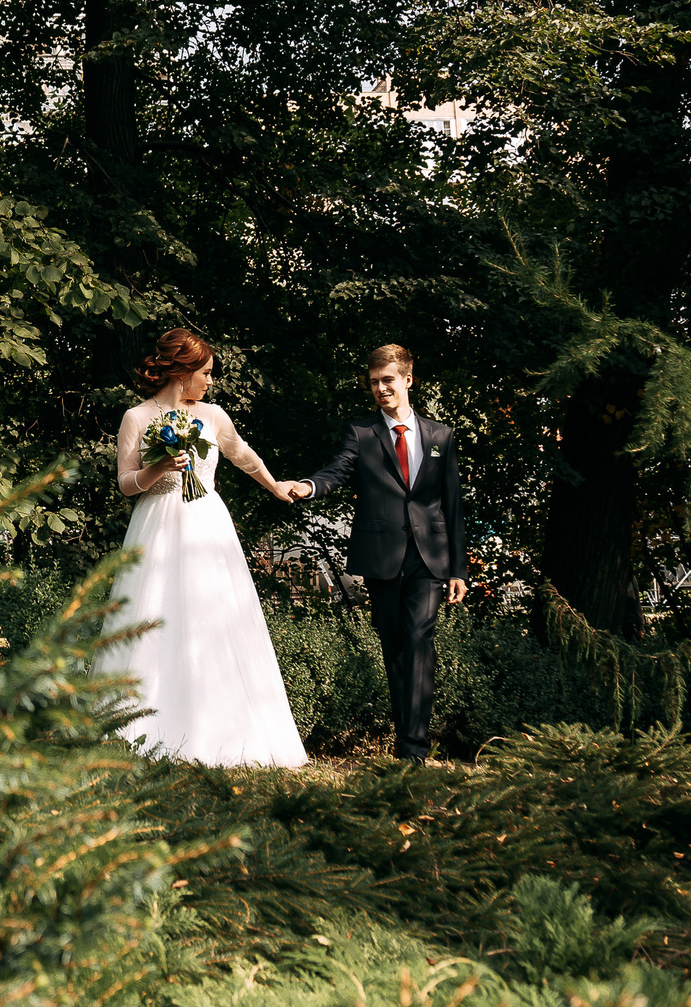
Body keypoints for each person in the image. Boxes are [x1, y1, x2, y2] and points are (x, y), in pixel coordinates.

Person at [99, 327, 310, 767]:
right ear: (182, 372)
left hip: (208, 527)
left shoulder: (213, 416)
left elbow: (243, 455)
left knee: (211, 617)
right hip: (156, 525)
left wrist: (275, 487)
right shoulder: (136, 417)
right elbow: (124, 484)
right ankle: (140, 730)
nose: (211, 382)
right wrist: (157, 469)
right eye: (206, 373)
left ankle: (222, 732)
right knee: (155, 616)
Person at [289, 343, 466, 762]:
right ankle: (407, 740)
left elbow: (453, 504)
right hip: (382, 557)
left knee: (420, 638)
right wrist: (309, 487)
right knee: (395, 647)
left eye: (388, 380)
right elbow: (337, 470)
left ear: (407, 379)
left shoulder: (441, 436)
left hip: (429, 556)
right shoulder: (361, 433)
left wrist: (458, 568)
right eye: (374, 382)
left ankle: (413, 751)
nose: (381, 388)